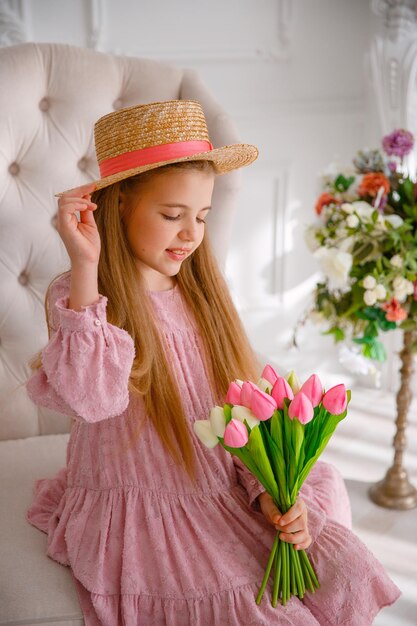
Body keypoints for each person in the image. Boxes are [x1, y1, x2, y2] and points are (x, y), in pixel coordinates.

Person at [26, 99, 400, 625]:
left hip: (217, 481)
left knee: (325, 536)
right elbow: (92, 399)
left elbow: (237, 416)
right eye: (172, 215)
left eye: (201, 216)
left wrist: (262, 492)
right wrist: (85, 262)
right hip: (144, 505)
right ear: (119, 206)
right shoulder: (82, 296)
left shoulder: (200, 294)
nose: (191, 234)